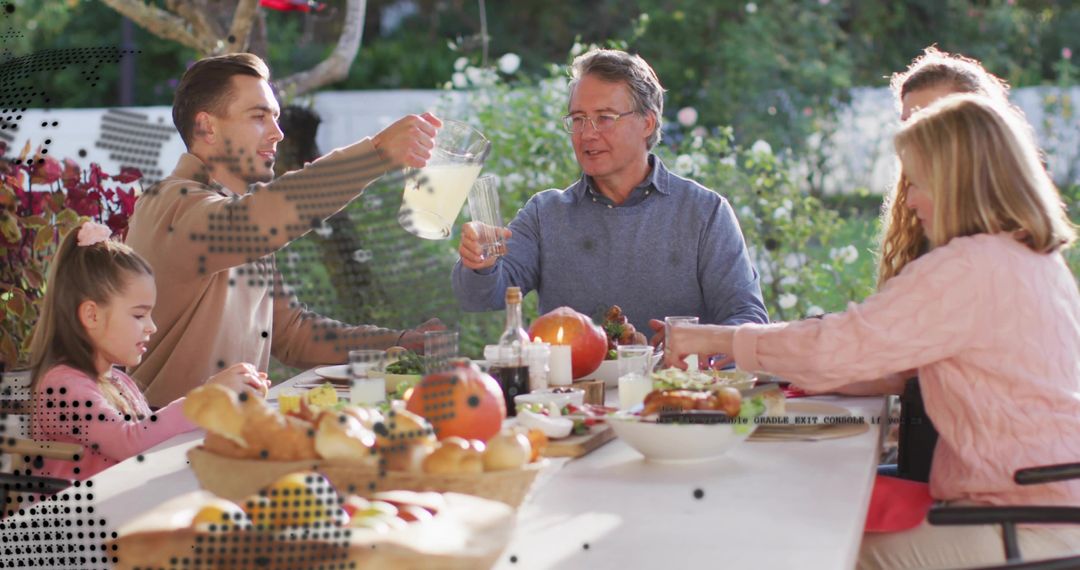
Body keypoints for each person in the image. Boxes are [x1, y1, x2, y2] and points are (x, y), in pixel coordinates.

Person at [666, 94, 1080, 568]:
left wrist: (716, 340)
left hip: (1021, 520)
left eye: (918, 182)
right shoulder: (1029, 258)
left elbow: (836, 349)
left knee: (807, 551)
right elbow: (885, 363)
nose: (908, 200)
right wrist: (779, 368)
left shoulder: (968, 268)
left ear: (956, 184)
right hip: (1047, 505)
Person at [126, 53, 444, 407]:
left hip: (230, 430)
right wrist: (377, 154)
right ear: (206, 128)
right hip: (167, 443)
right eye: (259, 117)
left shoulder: (234, 215)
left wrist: (400, 342)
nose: (278, 133)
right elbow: (254, 221)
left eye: (275, 118)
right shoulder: (172, 204)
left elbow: (294, 334)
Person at [452, 48, 768, 342]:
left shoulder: (704, 213)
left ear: (648, 122)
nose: (587, 133)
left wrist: (699, 343)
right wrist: (480, 264)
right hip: (572, 399)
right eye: (578, 119)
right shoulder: (545, 213)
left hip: (678, 395)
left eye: (604, 117)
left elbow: (748, 319)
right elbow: (479, 297)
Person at [27, 222, 267, 481]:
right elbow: (131, 441)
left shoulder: (118, 381)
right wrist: (206, 397)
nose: (152, 327)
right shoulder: (62, 386)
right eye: (139, 315)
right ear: (91, 315)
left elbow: (152, 440)